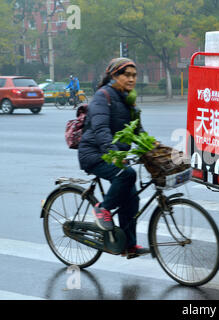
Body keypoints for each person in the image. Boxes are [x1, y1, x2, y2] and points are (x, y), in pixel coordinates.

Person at [78, 57, 148, 259]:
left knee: (132, 198)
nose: (132, 79)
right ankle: (103, 209)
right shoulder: (103, 96)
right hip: (94, 154)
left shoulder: (129, 99)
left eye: (134, 75)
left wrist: (153, 148)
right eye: (127, 75)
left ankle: (128, 245)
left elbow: (138, 130)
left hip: (114, 155)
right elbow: (100, 129)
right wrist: (114, 154)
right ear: (114, 75)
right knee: (127, 174)